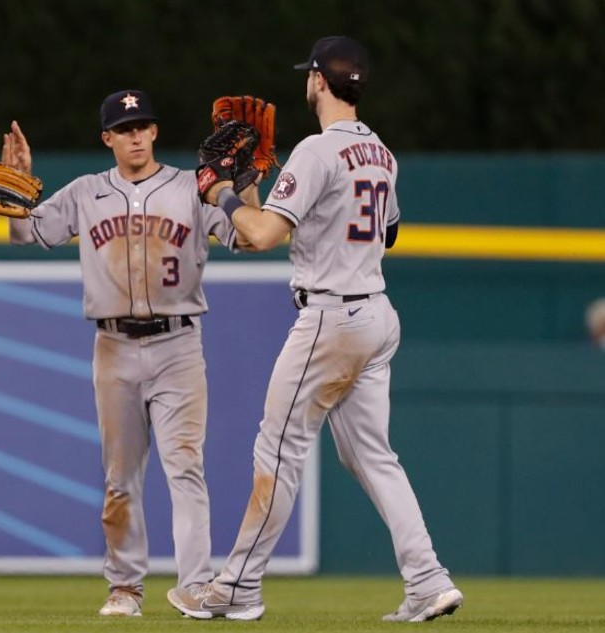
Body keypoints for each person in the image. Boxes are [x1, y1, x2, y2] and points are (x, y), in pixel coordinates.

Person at [166, 36, 464, 623]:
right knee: (374, 457)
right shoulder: (382, 152)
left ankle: (236, 588)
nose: (306, 83)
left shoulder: (316, 150)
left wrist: (221, 189)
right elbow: (390, 233)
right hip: (377, 313)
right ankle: (428, 579)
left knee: (278, 449)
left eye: (310, 75)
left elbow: (263, 236)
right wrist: (255, 188)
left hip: (331, 317)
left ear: (321, 82)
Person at [3, 90, 239, 617]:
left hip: (179, 343)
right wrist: (17, 182)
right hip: (113, 346)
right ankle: (125, 588)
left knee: (185, 466)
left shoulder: (189, 188)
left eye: (144, 125)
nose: (136, 135)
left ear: (154, 132)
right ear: (107, 138)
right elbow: (25, 233)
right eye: (125, 128)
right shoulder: (88, 192)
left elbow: (245, 237)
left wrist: (237, 190)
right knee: (120, 476)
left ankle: (197, 585)